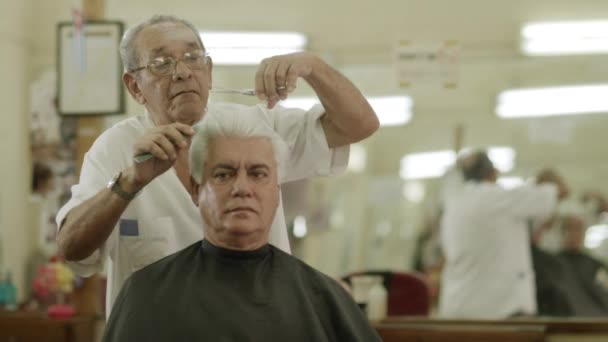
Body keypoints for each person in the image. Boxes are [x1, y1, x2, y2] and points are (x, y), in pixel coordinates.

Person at [55, 15, 379, 315]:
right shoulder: (114, 149)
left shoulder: (253, 130)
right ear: (135, 86)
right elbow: (72, 248)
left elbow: (360, 124)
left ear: (208, 71)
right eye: (162, 63)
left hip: (259, 323)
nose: (182, 71)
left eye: (193, 58)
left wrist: (311, 66)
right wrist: (128, 183)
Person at [101, 105, 382, 341]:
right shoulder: (147, 293)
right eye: (224, 174)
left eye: (258, 174)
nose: (242, 188)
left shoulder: (322, 299)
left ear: (276, 193)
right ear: (197, 190)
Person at [438, 150, 568, 319]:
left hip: (458, 310)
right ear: (493, 173)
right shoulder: (502, 197)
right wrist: (548, 178)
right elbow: (562, 192)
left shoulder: (454, 202)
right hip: (500, 312)